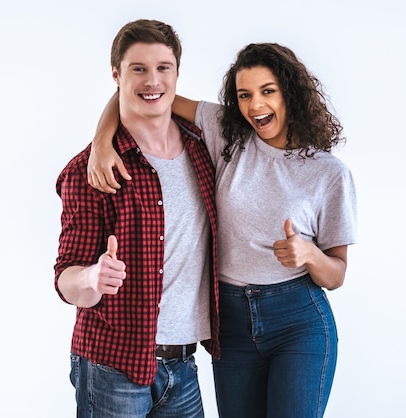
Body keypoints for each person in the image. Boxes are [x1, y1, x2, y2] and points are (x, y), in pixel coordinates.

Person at [87, 42, 357, 418]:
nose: (255, 106)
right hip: (230, 323)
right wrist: (101, 142)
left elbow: (337, 274)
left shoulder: (329, 173)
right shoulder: (226, 133)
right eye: (244, 95)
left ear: (289, 93)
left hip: (297, 320)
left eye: (268, 91)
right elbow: (144, 97)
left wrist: (310, 255)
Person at [53, 19, 221, 417]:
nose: (152, 80)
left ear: (177, 73)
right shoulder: (90, 170)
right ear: (116, 75)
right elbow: (65, 278)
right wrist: (92, 278)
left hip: (184, 364)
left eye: (163, 67)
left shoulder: (203, 150)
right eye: (138, 69)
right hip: (113, 364)